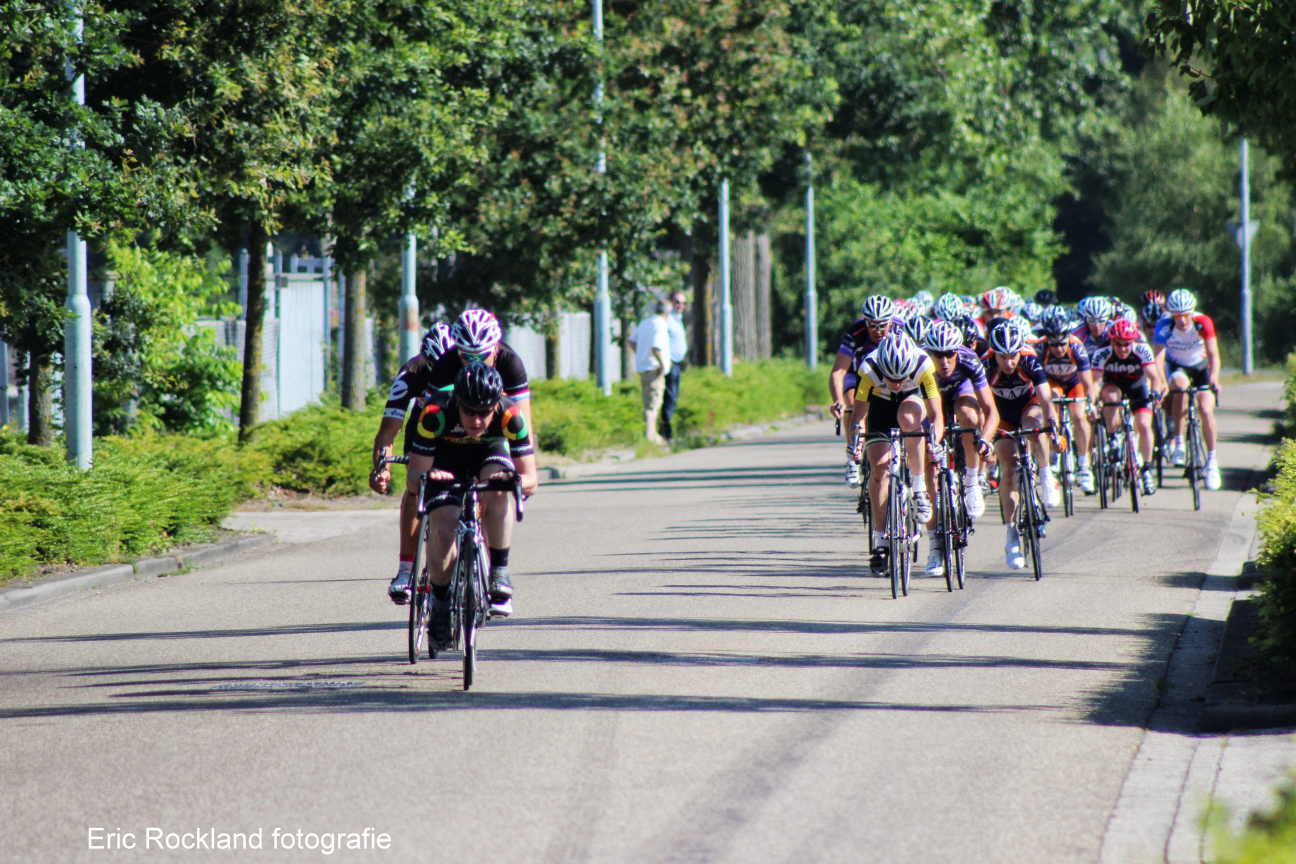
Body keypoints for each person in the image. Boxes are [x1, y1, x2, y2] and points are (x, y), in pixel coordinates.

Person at [370, 310, 539, 607]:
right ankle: (408, 571)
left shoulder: (510, 366)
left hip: (491, 436)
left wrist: (516, 475)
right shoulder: (423, 373)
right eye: (465, 356)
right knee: (423, 491)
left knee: (494, 488)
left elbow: (521, 428)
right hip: (440, 431)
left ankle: (495, 568)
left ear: (495, 349)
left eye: (482, 355)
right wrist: (392, 470)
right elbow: (401, 432)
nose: (473, 362)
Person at [849, 333, 943, 576]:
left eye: (902, 377)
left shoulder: (923, 365)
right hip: (880, 407)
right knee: (879, 471)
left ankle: (919, 487)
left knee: (909, 419)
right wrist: (855, 443)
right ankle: (881, 542)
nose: (897, 382)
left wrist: (935, 442)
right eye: (890, 377)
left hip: (911, 403)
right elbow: (858, 418)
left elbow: (936, 415)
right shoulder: (868, 368)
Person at [922, 321, 997, 576]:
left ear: (958, 350)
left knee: (970, 416)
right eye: (938, 354)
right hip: (929, 395)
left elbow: (991, 412)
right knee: (927, 460)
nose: (944, 360)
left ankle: (971, 482)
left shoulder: (969, 359)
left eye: (949, 353)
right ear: (929, 352)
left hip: (959, 391)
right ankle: (934, 547)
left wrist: (985, 439)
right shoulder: (920, 363)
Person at [983, 321, 1060, 569]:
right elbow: (980, 404)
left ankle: (1047, 475)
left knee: (1036, 428)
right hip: (1001, 415)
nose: (1009, 362)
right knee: (1008, 469)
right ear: (994, 353)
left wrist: (1053, 425)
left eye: (1013, 356)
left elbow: (1046, 398)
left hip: (1029, 406)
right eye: (1003, 357)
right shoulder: (985, 365)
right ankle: (1012, 535)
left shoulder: (1029, 360)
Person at [830, 295, 903, 487]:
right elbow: (838, 372)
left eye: (882, 325)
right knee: (852, 404)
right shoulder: (856, 332)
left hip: (888, 375)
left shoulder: (901, 329)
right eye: (872, 325)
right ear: (865, 322)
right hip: (858, 373)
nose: (878, 331)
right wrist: (838, 401)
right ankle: (852, 456)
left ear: (890, 321)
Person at [1152, 289, 1221, 490]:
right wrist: (1162, 382)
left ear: (1192, 312)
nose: (1182, 320)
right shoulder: (1164, 326)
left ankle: (1212, 461)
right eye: (1177, 316)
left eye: (1186, 314)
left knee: (1206, 409)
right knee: (1180, 388)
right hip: (1176, 366)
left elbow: (1213, 355)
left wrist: (1215, 378)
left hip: (1199, 366)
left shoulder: (1202, 322)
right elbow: (1158, 359)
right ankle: (1179, 441)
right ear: (1171, 315)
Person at [1091, 318, 1167, 496]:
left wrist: (1155, 392)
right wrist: (1092, 402)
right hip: (1113, 385)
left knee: (1143, 425)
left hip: (1137, 387)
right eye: (1118, 344)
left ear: (1133, 341)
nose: (1123, 348)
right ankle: (1113, 438)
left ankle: (1146, 470)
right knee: (1110, 396)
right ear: (1111, 341)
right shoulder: (1102, 352)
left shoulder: (1141, 349)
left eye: (1127, 344)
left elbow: (1154, 378)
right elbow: (1094, 382)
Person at [1037, 309, 1098, 494]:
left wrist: (1091, 404)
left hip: (1074, 382)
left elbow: (1088, 383)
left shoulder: (1077, 347)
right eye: (1053, 344)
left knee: (1079, 416)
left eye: (1062, 344)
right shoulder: (1040, 348)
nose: (1058, 349)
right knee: (1052, 401)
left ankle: (1084, 464)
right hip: (1053, 383)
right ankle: (1055, 454)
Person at [628, 299, 673, 445]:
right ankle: (651, 434)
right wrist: (663, 365)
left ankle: (652, 433)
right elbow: (656, 348)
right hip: (654, 369)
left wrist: (641, 353)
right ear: (668, 312)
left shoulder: (645, 322)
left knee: (648, 401)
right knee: (653, 403)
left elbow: (631, 340)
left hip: (643, 368)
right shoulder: (660, 325)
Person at [660, 291, 689, 441]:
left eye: (683, 303)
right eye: (677, 302)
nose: (680, 305)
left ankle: (666, 430)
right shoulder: (667, 320)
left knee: (673, 397)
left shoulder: (678, 319)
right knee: (669, 398)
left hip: (677, 364)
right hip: (669, 364)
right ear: (671, 302)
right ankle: (666, 432)